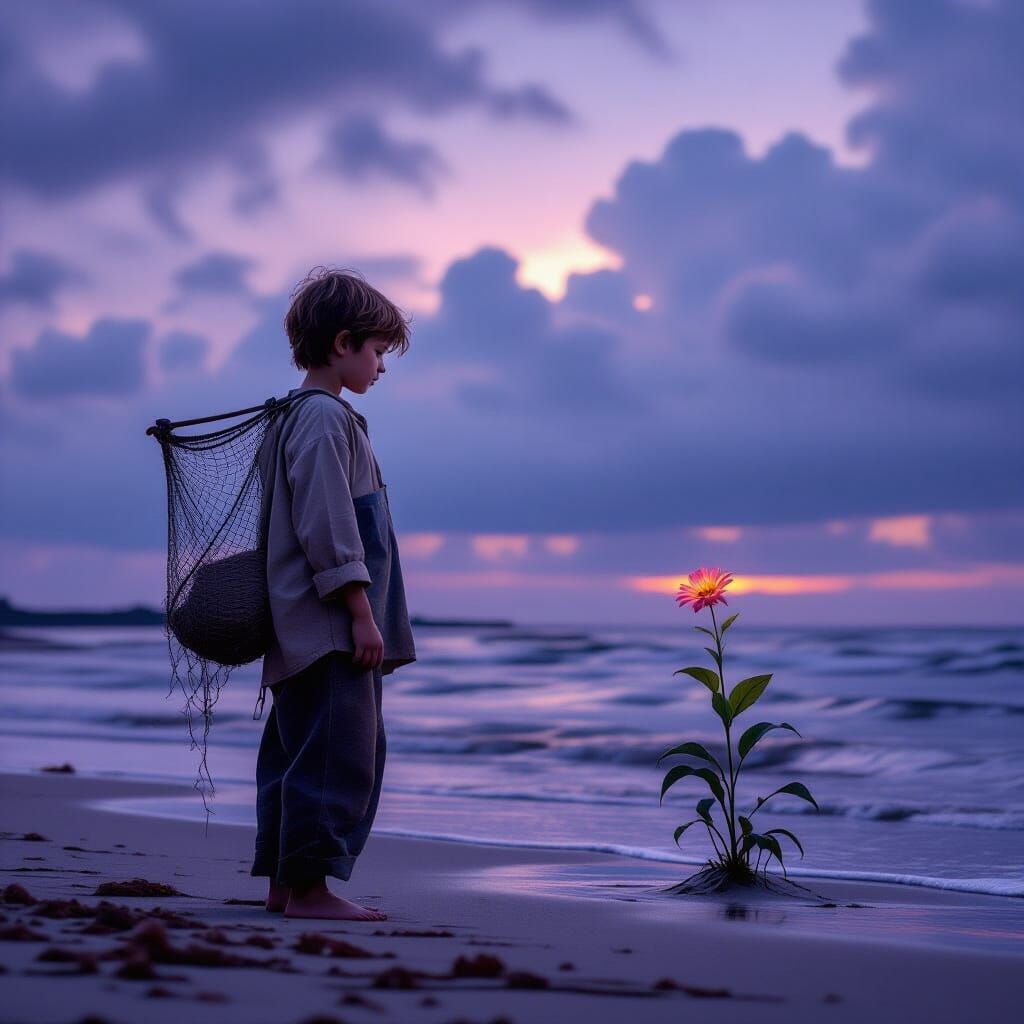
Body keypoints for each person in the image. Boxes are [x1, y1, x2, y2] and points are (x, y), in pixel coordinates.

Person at [249, 267, 416, 921]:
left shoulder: (297, 416)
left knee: (295, 756)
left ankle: (286, 886)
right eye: (376, 351)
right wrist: (360, 613)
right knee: (339, 754)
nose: (380, 365)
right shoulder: (323, 420)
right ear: (343, 342)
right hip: (327, 626)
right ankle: (312, 893)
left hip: (297, 624)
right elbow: (329, 523)